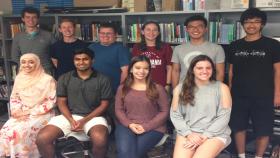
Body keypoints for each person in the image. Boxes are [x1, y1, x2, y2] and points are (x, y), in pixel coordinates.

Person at [36, 48, 113, 158]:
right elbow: (61, 102)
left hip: (94, 117)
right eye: (77, 59)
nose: (81, 62)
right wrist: (71, 120)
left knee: (100, 140)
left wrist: (83, 121)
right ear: (73, 61)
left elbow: (104, 104)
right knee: (42, 138)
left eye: (85, 59)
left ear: (92, 61)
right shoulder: (64, 78)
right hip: (69, 116)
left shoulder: (103, 79)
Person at [228, 8, 280, 158]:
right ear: (243, 24)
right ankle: (242, 155)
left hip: (264, 95)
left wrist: (278, 94)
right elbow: (231, 71)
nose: (251, 25)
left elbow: (278, 71)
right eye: (248, 22)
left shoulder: (272, 44)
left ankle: (258, 156)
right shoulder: (234, 45)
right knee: (238, 128)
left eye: (256, 22)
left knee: (263, 130)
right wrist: (229, 93)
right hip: (238, 95)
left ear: (262, 24)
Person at [170, 55, 232, 158]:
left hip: (215, 134)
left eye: (208, 68)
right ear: (192, 70)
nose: (205, 71)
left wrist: (204, 136)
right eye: (200, 68)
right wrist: (189, 134)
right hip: (188, 131)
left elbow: (224, 117)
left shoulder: (222, 88)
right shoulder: (180, 88)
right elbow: (175, 114)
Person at [0, 53, 56, 157]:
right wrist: (18, 111)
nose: (27, 65)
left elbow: (50, 101)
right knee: (5, 130)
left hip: (41, 113)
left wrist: (30, 112)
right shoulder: (19, 78)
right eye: (24, 62)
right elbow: (15, 97)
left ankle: (25, 155)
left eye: (31, 62)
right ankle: (12, 154)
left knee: (20, 131)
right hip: (21, 112)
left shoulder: (47, 79)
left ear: (37, 63)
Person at [114, 55, 169, 158]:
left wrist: (146, 126)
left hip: (153, 128)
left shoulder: (157, 88)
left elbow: (164, 112)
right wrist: (130, 124)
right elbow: (118, 110)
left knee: (133, 154)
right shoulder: (122, 88)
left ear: (149, 70)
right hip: (127, 125)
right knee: (126, 153)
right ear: (131, 69)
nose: (141, 71)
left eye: (146, 68)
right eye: (138, 68)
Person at [171, 15, 225, 88]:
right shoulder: (178, 49)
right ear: (186, 30)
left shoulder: (217, 48)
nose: (195, 29)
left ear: (206, 29)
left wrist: (217, 91)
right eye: (191, 27)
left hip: (208, 90)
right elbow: (175, 71)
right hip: (184, 90)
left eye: (199, 26)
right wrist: (175, 91)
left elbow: (220, 72)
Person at [88, 22, 130, 93]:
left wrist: (121, 89)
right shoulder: (91, 48)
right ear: (99, 34)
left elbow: (125, 71)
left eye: (109, 33)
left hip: (112, 89)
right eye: (102, 33)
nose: (105, 35)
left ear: (116, 35)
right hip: (92, 88)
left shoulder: (120, 49)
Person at [11, 6, 56, 74]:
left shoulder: (49, 35)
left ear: (38, 19)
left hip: (44, 72)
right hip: (26, 73)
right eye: (28, 17)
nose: (31, 20)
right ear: (23, 19)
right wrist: (28, 66)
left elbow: (56, 55)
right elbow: (15, 57)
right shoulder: (18, 37)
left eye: (34, 17)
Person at [132, 21, 173, 91]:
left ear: (158, 32)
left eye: (155, 30)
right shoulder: (136, 47)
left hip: (161, 85)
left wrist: (168, 85)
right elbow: (133, 67)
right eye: (148, 30)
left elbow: (170, 67)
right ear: (142, 32)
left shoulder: (166, 47)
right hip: (141, 86)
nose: (151, 32)